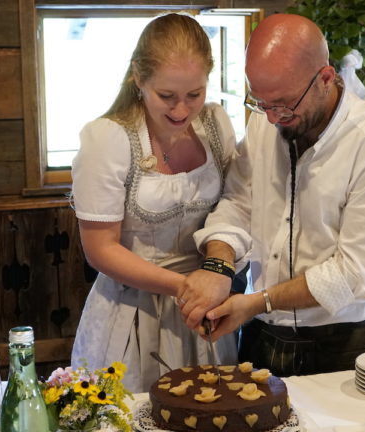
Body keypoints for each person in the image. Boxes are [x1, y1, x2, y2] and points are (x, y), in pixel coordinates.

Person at [179, 13, 365, 377]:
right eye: (261, 103)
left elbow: (353, 273)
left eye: (284, 104)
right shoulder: (266, 122)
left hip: (342, 342)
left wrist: (258, 301)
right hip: (260, 334)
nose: (272, 119)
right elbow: (238, 203)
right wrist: (219, 265)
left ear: (326, 78)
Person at [70, 13, 238, 393]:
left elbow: (233, 205)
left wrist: (214, 274)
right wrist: (187, 287)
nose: (181, 110)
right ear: (138, 76)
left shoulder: (215, 124)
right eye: (167, 96)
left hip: (204, 307)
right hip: (133, 309)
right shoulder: (108, 139)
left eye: (194, 95)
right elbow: (100, 249)